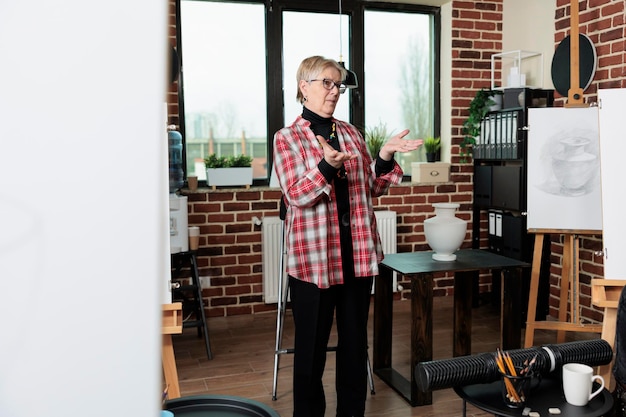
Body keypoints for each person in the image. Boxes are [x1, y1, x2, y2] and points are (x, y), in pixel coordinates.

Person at [272, 55, 422, 417]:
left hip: (357, 258)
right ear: (303, 87)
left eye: (338, 84)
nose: (335, 91)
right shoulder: (287, 138)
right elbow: (295, 194)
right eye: (326, 82)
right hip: (314, 264)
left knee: (355, 347)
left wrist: (384, 155)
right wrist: (326, 166)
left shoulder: (351, 133)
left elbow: (370, 187)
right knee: (310, 351)